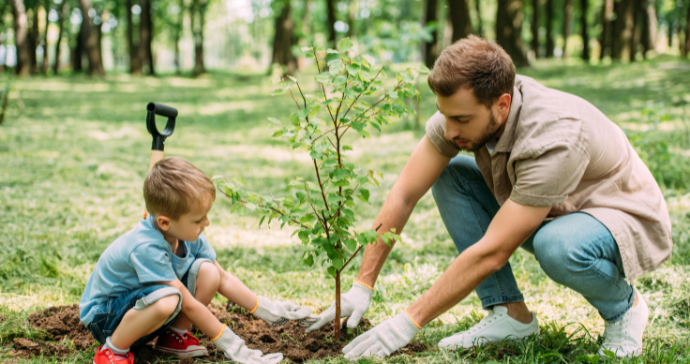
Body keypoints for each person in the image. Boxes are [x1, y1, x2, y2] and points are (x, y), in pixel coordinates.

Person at [306, 36, 672, 359]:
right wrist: (362, 284)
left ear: (501, 103)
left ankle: (625, 309)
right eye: (444, 115)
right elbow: (404, 193)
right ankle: (509, 315)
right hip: (552, 205)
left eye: (462, 120)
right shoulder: (460, 113)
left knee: (556, 245)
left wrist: (407, 322)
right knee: (451, 176)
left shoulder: (555, 137)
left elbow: (494, 251)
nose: (450, 131)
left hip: (617, 215)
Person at [80, 157, 313, 364]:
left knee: (208, 272)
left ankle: (172, 337)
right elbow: (187, 303)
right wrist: (233, 345)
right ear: (164, 223)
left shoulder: (186, 235)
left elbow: (222, 278)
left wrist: (267, 310)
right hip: (106, 317)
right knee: (170, 298)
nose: (207, 224)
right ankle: (112, 351)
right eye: (198, 219)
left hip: (141, 307)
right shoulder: (146, 246)